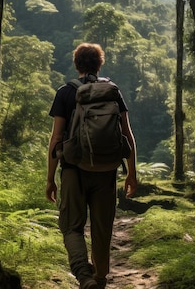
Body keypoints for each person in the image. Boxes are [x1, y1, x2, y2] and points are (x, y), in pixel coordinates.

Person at [46, 43, 138, 289]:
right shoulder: (112, 92)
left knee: (71, 227)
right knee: (102, 229)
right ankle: (99, 278)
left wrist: (50, 179)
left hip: (73, 171)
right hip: (107, 171)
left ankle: (84, 277)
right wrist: (131, 173)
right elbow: (127, 134)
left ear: (76, 64)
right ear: (100, 64)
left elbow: (56, 139)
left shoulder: (66, 93)